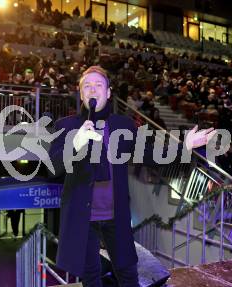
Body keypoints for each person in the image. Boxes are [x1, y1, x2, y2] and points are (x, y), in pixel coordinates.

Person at [48, 66, 214, 286]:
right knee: (90, 277)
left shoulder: (122, 125)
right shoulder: (66, 126)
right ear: (81, 94)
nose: (92, 90)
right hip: (82, 217)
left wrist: (184, 146)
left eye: (98, 85)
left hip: (116, 214)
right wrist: (75, 144)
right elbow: (52, 168)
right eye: (86, 86)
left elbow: (151, 156)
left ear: (108, 93)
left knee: (128, 273)